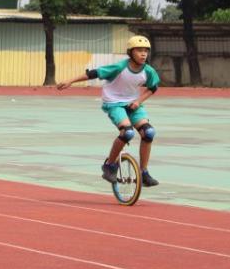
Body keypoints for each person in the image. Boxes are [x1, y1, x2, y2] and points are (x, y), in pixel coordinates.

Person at [56, 35, 161, 187]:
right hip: (114, 103)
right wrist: (70, 81)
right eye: (139, 50)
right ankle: (110, 165)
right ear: (130, 52)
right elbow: (94, 73)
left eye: (146, 51)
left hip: (133, 104)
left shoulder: (149, 71)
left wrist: (138, 101)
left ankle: (144, 172)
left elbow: (153, 88)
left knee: (149, 133)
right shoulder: (120, 67)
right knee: (128, 133)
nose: (143, 54)